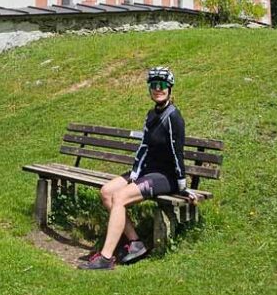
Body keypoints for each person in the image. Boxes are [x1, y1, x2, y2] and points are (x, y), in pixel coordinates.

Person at [78, 66, 197, 270]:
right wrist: (134, 173)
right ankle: (135, 243)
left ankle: (106, 258)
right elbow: (143, 147)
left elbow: (177, 154)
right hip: (146, 171)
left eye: (162, 85)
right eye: (154, 85)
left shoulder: (174, 118)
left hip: (164, 176)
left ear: (170, 88)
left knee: (120, 197)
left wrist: (182, 185)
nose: (158, 89)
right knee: (107, 192)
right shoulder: (151, 115)